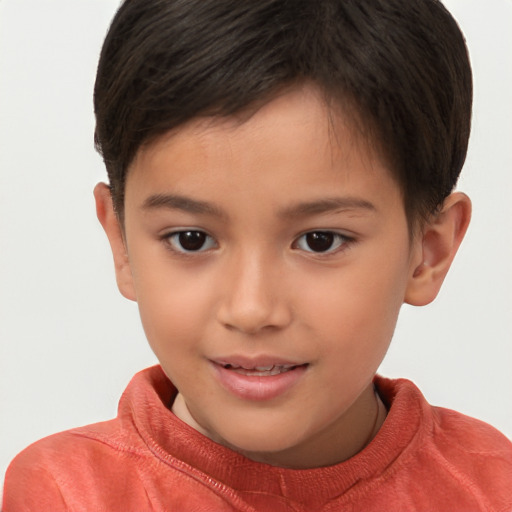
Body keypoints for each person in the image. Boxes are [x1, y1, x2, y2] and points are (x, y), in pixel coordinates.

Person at [3, 0, 512, 510]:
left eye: (320, 241)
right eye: (191, 239)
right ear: (123, 244)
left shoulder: (493, 486)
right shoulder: (67, 494)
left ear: (428, 252)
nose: (250, 309)